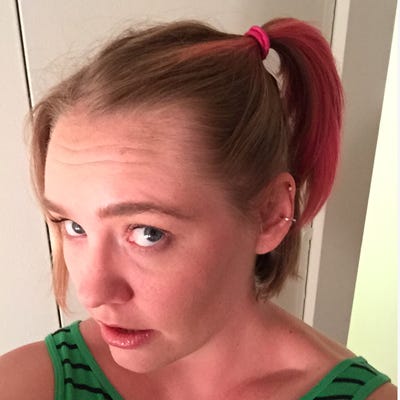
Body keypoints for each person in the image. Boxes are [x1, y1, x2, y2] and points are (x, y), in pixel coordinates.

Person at [0, 18, 396, 400]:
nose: (91, 292)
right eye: (73, 226)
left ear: (269, 214)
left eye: (148, 233)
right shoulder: (29, 384)